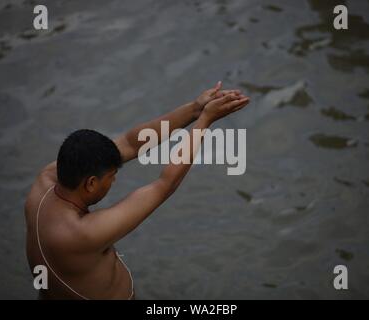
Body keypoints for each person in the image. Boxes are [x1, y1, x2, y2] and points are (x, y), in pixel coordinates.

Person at [24, 81, 250, 299]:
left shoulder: (46, 180)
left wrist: (194, 109)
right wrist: (205, 120)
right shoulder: (82, 235)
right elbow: (165, 185)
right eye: (112, 177)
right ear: (91, 183)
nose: (113, 182)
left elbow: (129, 144)